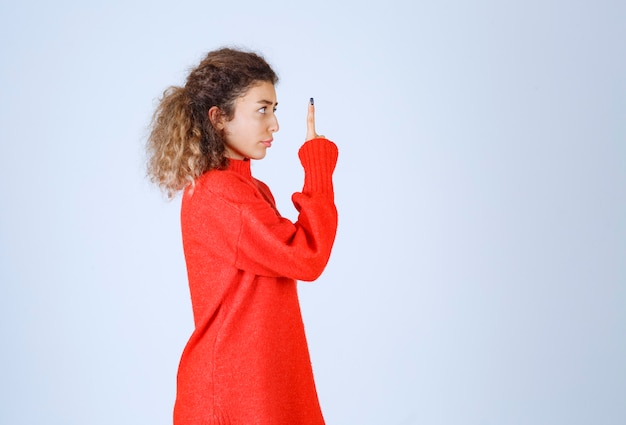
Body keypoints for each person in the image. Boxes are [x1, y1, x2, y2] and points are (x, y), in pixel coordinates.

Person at [146, 47, 338, 424]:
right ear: (219, 119)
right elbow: (307, 256)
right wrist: (317, 165)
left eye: (275, 110)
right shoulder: (222, 193)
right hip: (236, 393)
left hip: (257, 382)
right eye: (262, 109)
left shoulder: (248, 190)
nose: (274, 125)